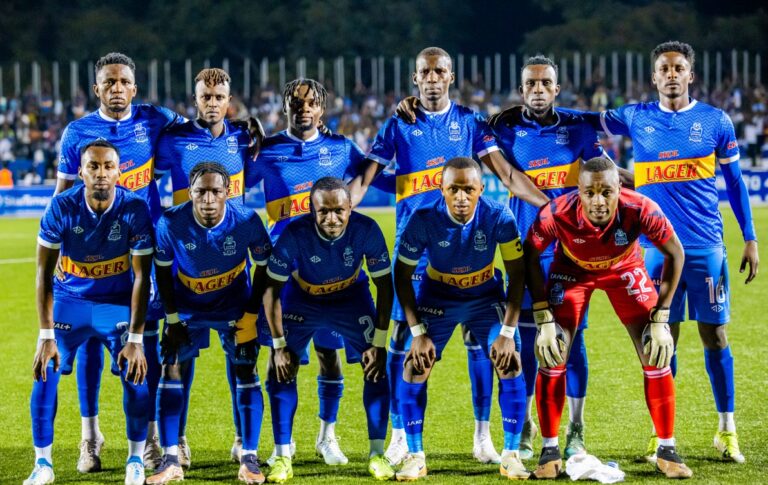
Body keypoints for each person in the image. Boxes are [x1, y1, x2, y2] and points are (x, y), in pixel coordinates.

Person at [354, 46, 548, 466]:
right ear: (415, 78)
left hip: (466, 248)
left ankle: (482, 435)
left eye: (439, 72)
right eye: (425, 73)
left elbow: (508, 175)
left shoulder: (470, 122)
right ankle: (400, 435)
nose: (432, 79)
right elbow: (365, 179)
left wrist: (551, 208)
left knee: (479, 344)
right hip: (415, 248)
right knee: (404, 343)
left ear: (450, 76)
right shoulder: (399, 123)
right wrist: (339, 210)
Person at [579, 41, 756, 463]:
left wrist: (749, 237)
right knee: (662, 341)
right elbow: (584, 121)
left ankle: (726, 429)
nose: (672, 74)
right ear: (654, 76)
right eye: (664, 69)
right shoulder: (636, 117)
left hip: (706, 247)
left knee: (715, 335)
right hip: (655, 250)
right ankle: (664, 436)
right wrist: (545, 114)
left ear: (690, 75)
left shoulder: (715, 121)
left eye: (679, 68)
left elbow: (734, 184)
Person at [488, 55, 629, 460]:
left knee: (572, 339)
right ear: (521, 90)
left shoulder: (578, 127)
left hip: (569, 253)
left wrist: (648, 183)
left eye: (545, 83)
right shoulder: (504, 128)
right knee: (526, 339)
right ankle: (526, 423)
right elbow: (464, 127)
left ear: (556, 88)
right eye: (530, 84)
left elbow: (606, 171)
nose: (538, 90)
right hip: (525, 251)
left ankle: (575, 427)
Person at [54, 52, 183, 473]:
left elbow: (203, 128)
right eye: (109, 82)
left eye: (124, 81)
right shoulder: (77, 133)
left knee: (145, 342)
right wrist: (58, 251)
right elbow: (62, 194)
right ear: (96, 88)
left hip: (142, 252)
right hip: (95, 257)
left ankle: (149, 437)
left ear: (135, 88)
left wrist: (243, 129)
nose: (116, 88)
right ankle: (90, 437)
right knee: (90, 341)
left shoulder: (153, 119)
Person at [523, 157, 691, 479]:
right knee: (552, 352)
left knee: (656, 351)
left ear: (619, 188)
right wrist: (543, 317)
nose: (598, 201)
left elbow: (676, 252)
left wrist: (661, 317)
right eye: (589, 193)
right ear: (579, 191)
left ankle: (667, 450)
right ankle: (549, 451)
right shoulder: (556, 212)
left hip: (624, 268)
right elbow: (529, 254)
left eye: (606, 192)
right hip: (572, 272)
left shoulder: (641, 208)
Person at [247, 78, 370, 466]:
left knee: (329, 355)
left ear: (322, 109)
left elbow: (374, 170)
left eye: (312, 102)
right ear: (284, 106)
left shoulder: (341, 148)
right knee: (280, 353)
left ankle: (326, 436)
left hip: (331, 268)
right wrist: (239, 136)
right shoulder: (267, 150)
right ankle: (281, 445)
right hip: (284, 271)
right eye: (296, 102)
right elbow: (231, 182)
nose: (304, 109)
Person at [393, 157, 529, 481]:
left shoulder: (499, 216)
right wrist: (417, 332)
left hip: (485, 299)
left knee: (510, 359)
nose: (461, 197)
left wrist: (507, 332)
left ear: (481, 189)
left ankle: (511, 455)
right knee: (415, 364)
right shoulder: (423, 218)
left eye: (468, 189)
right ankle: (415, 456)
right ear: (441, 189)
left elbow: (518, 274)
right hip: (438, 298)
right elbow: (401, 275)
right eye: (453, 189)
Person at [27, 139, 154, 485]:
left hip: (116, 303)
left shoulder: (135, 209)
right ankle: (43, 464)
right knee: (44, 371)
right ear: (80, 172)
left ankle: (135, 459)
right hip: (70, 302)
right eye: (93, 166)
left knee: (136, 372)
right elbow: (43, 275)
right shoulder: (61, 207)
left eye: (108, 166)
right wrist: (46, 336)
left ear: (119, 171)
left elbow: (142, 277)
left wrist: (136, 339)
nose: (101, 173)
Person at [154, 67, 260, 466]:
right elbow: (145, 179)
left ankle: (242, 438)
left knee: (241, 356)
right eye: (205, 97)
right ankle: (178, 440)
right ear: (195, 99)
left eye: (218, 97)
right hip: (186, 260)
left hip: (232, 261)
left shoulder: (244, 137)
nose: (212, 104)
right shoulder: (174, 139)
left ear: (229, 100)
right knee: (180, 355)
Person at [146, 162, 272, 485]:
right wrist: (172, 319)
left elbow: (264, 267)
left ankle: (248, 457)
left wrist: (251, 315)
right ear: (190, 192)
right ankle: (170, 459)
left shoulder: (246, 220)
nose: (208, 199)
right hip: (187, 306)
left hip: (233, 305)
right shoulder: (170, 223)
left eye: (216, 191)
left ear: (228, 192)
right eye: (201, 191)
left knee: (246, 368)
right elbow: (162, 272)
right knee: (171, 368)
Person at [262, 177, 395, 483]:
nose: (331, 218)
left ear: (350, 208)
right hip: (302, 298)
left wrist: (379, 341)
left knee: (377, 366)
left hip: (350, 298)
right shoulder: (295, 233)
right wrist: (278, 345)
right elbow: (271, 290)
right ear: (312, 210)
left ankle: (377, 454)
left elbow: (385, 286)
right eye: (323, 211)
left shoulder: (367, 230)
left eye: (339, 211)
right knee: (280, 368)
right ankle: (282, 455)